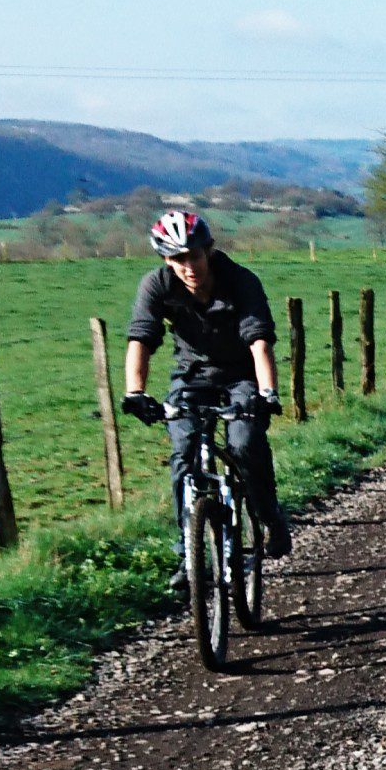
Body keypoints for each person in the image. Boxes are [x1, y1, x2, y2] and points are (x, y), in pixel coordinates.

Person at [119, 209, 289, 585]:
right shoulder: (157, 284)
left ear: (208, 250)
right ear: (166, 259)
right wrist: (135, 392)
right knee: (184, 452)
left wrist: (267, 392)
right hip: (191, 378)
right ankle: (189, 553)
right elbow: (141, 338)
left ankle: (269, 517)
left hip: (242, 376)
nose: (188, 266)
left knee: (245, 444)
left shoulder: (241, 280)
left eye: (194, 255)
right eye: (178, 258)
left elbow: (259, 340)